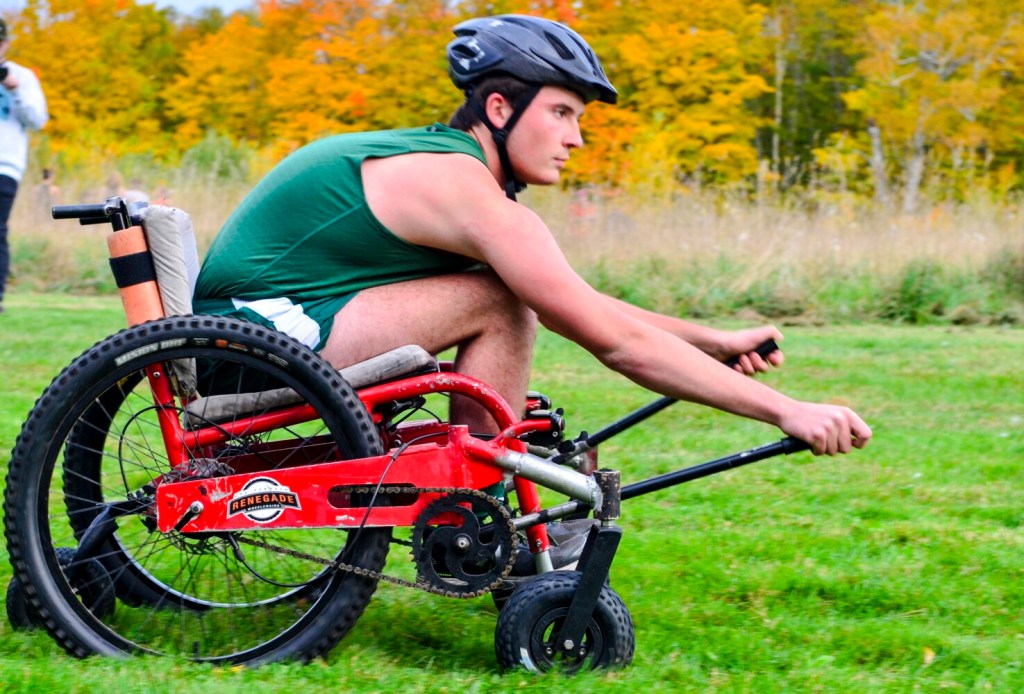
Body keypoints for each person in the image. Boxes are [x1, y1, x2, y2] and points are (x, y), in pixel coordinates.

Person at [194, 15, 871, 460]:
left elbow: (574, 299)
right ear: (498, 108)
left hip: (267, 331)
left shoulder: (451, 170)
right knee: (497, 301)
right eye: (560, 112)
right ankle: (481, 502)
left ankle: (486, 482)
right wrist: (787, 411)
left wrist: (714, 340)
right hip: (252, 345)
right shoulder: (464, 189)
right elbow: (612, 340)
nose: (575, 137)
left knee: (502, 294)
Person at [0, 17, 48, 314]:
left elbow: (38, 120)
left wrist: (14, 88)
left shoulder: (23, 76)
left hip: (5, 164)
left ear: (5, 43)